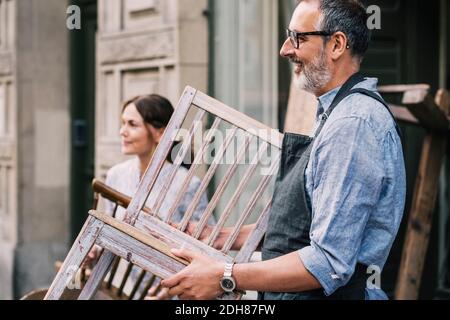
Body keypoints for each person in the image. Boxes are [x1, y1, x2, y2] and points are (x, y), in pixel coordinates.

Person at [161, 0, 406, 300]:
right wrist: (216, 235)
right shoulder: (337, 114)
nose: (285, 50)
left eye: (298, 38)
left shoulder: (352, 125)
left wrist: (225, 276)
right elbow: (304, 233)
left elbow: (328, 262)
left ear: (337, 45)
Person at [88, 94, 213, 299]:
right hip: (121, 289)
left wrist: (169, 290)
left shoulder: (187, 184)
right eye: (122, 123)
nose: (122, 131)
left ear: (160, 133)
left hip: (172, 292)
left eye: (132, 124)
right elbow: (109, 233)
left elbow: (204, 249)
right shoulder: (116, 175)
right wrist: (93, 251)